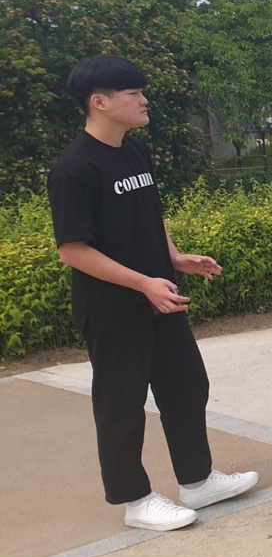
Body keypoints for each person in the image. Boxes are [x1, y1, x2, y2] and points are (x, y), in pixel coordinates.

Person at [47, 54, 258, 532]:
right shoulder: (74, 168)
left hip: (160, 299)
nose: (145, 101)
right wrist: (142, 282)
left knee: (187, 385)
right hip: (114, 309)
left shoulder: (135, 152)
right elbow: (73, 250)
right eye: (134, 94)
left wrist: (175, 257)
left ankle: (197, 481)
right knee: (121, 406)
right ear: (99, 102)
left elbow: (148, 215)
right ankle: (135, 500)